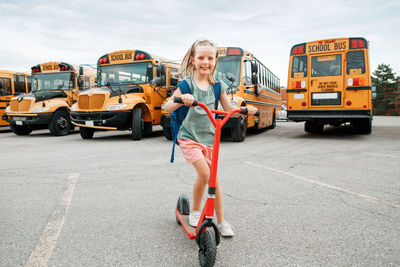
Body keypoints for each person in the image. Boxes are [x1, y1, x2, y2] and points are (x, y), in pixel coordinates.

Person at [164, 39, 257, 237]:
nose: (205, 62)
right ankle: (196, 211)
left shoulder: (217, 86)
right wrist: (182, 100)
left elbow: (229, 110)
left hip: (210, 139)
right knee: (206, 175)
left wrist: (246, 110)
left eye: (210, 58)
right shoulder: (187, 84)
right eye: (201, 58)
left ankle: (222, 221)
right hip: (189, 138)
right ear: (193, 60)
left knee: (214, 180)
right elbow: (167, 106)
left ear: (215, 61)